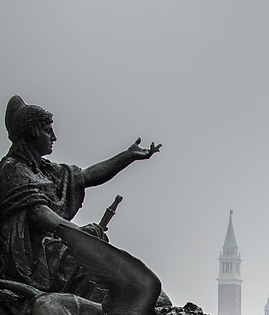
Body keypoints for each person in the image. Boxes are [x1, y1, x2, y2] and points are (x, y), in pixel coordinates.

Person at [0, 95, 160, 294]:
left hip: (53, 249)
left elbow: (87, 175)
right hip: (32, 259)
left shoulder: (45, 170)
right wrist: (79, 234)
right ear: (32, 132)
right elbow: (38, 213)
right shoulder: (13, 169)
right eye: (48, 131)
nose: (54, 137)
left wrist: (128, 156)